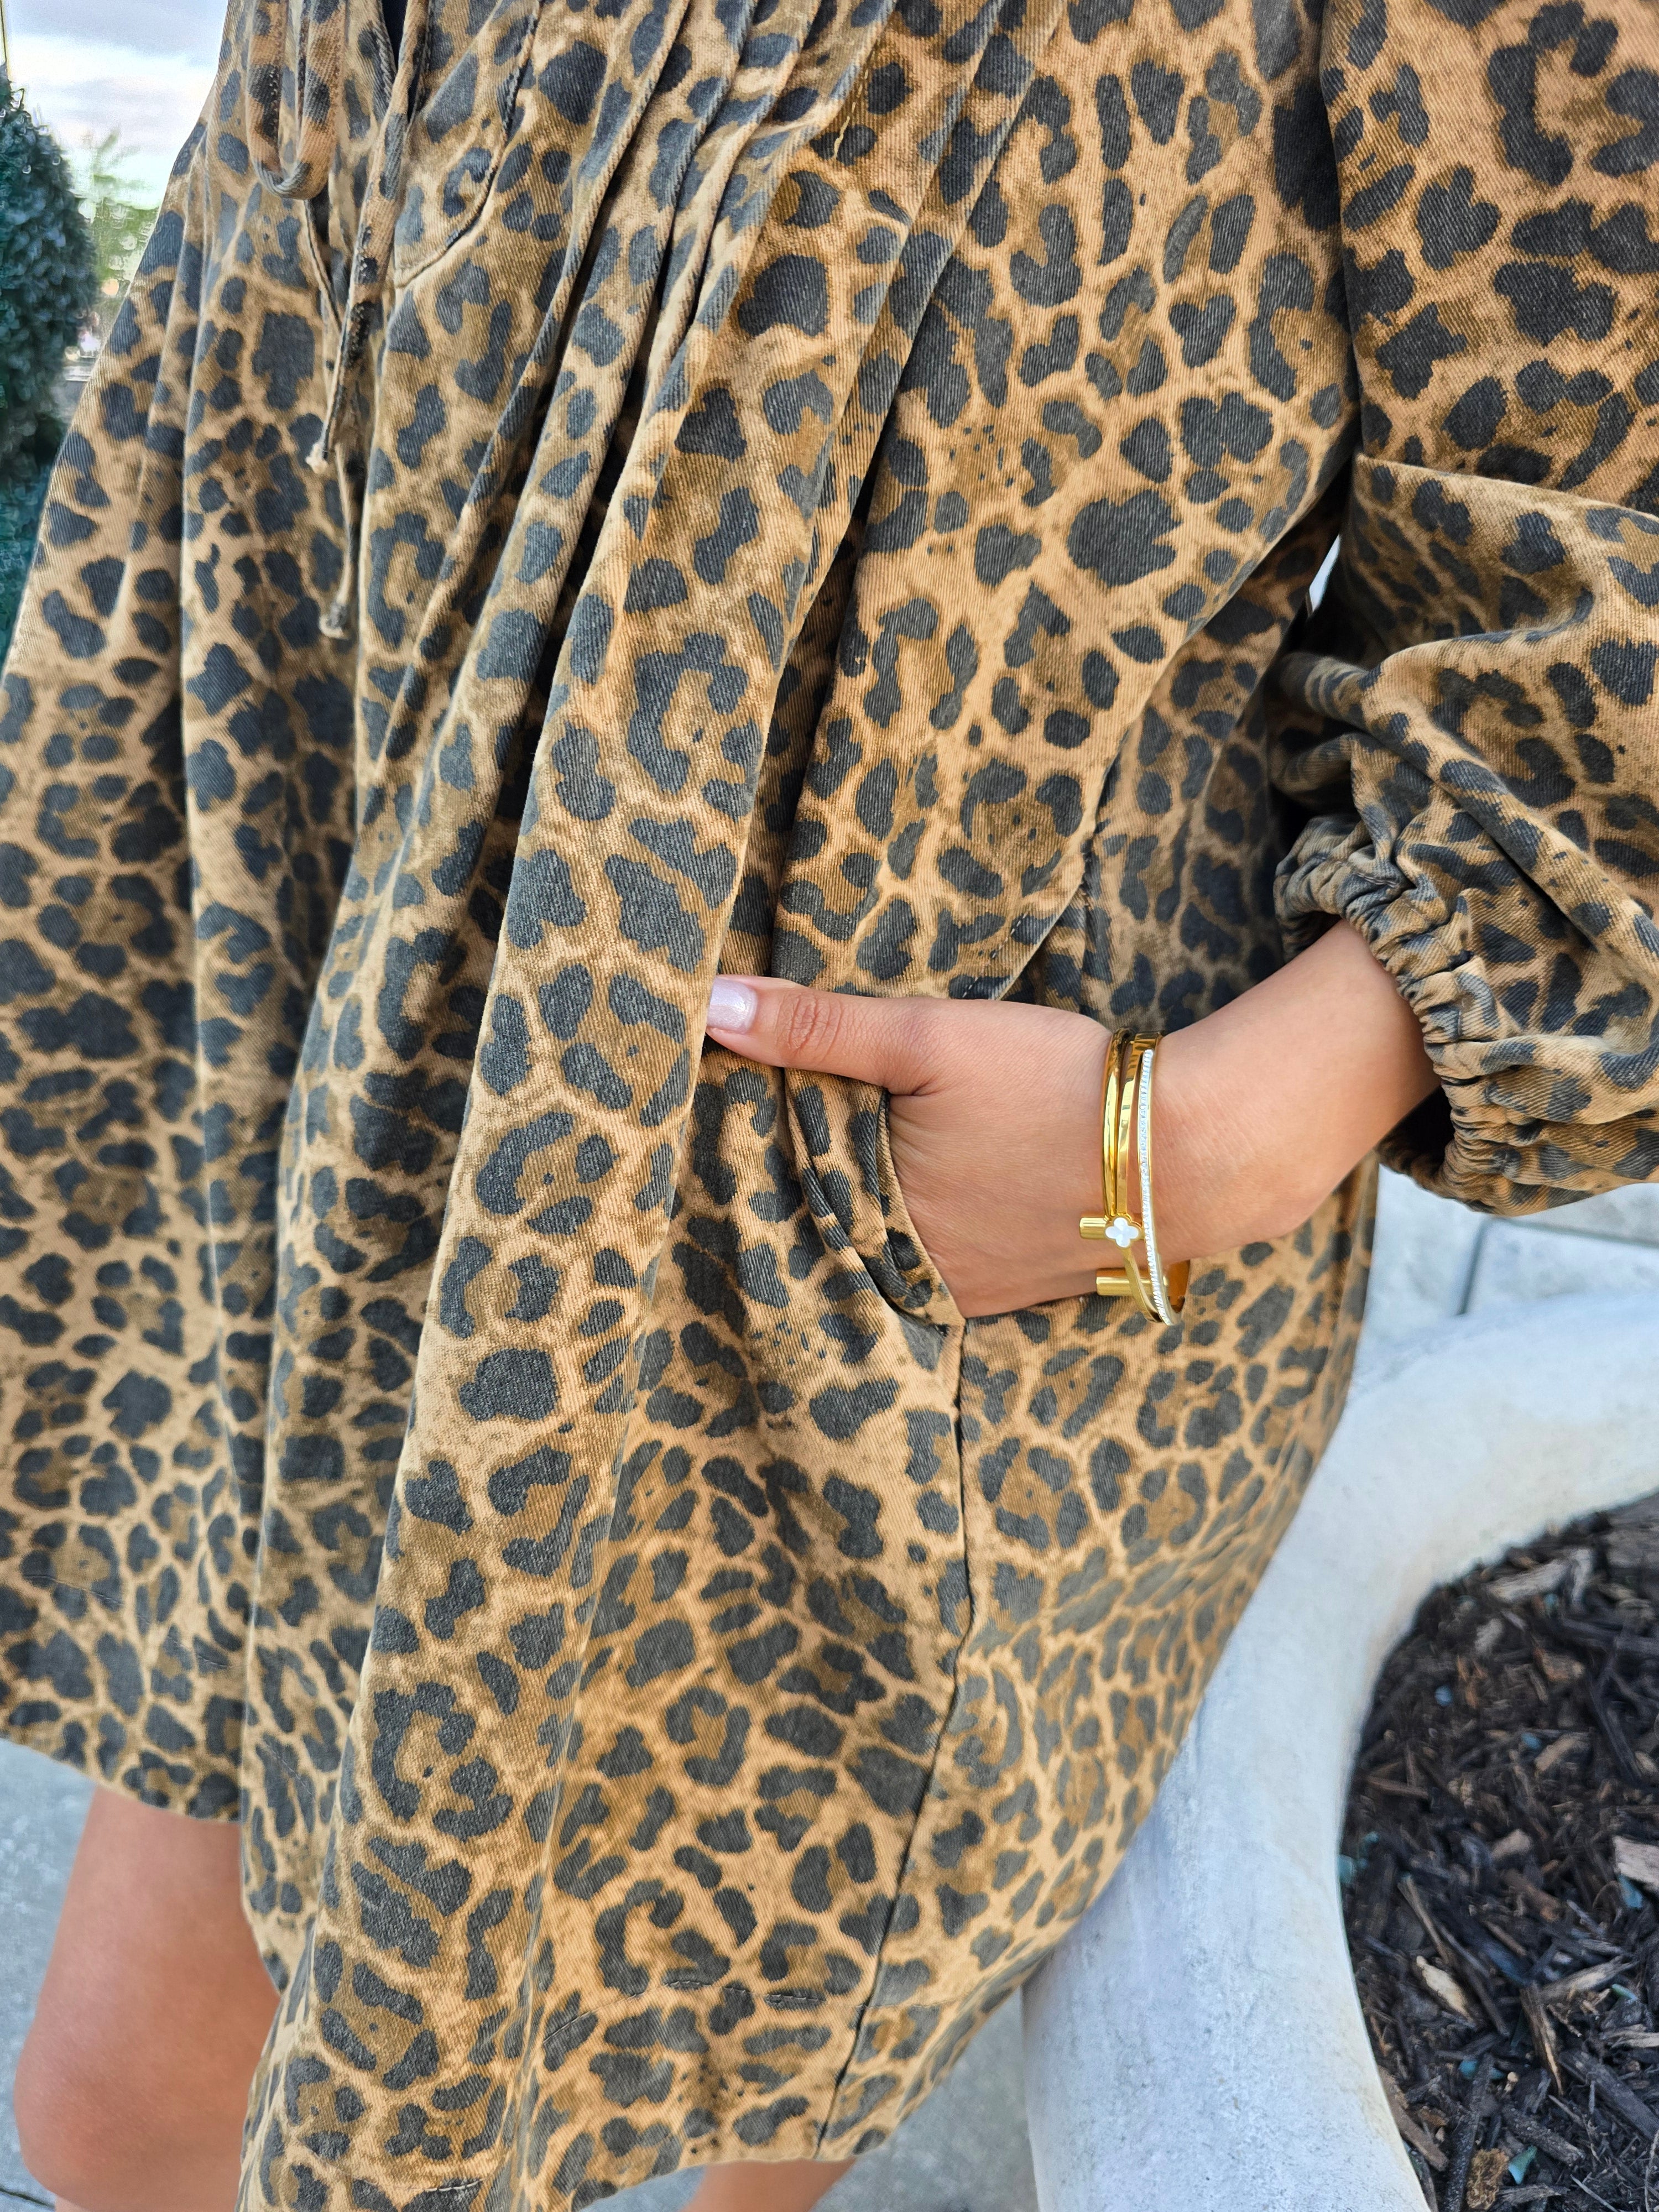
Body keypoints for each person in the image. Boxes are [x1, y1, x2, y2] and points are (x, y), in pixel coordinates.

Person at [4, 0, 1656, 2199]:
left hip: (877, 1316)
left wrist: (1200, 1139)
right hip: (340, 1115)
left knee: (740, 2073)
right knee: (127, 2104)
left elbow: (1602, 585)